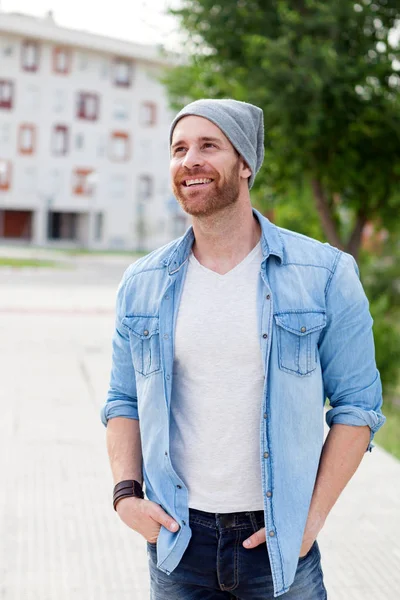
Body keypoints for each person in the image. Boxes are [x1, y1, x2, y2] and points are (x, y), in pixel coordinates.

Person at [101, 99, 386, 599]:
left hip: (278, 547)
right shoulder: (141, 283)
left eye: (209, 146)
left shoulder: (324, 275)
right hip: (177, 543)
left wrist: (306, 523)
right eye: (179, 148)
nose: (190, 160)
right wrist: (127, 496)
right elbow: (124, 400)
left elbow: (358, 408)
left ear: (246, 163)